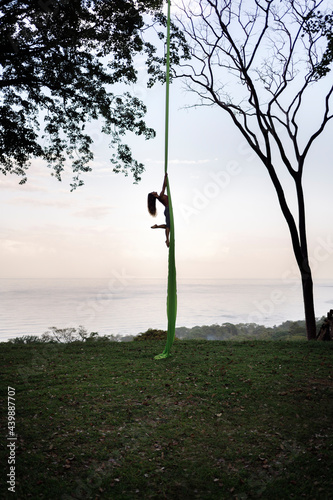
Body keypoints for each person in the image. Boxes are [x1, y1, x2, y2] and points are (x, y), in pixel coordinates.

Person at [147, 172, 170, 247]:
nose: (153, 191)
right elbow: (164, 186)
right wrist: (165, 177)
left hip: (167, 210)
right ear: (153, 195)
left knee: (168, 226)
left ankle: (157, 226)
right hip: (168, 210)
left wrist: (165, 178)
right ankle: (167, 239)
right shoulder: (160, 196)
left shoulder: (159, 197)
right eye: (152, 192)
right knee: (168, 227)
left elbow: (164, 186)